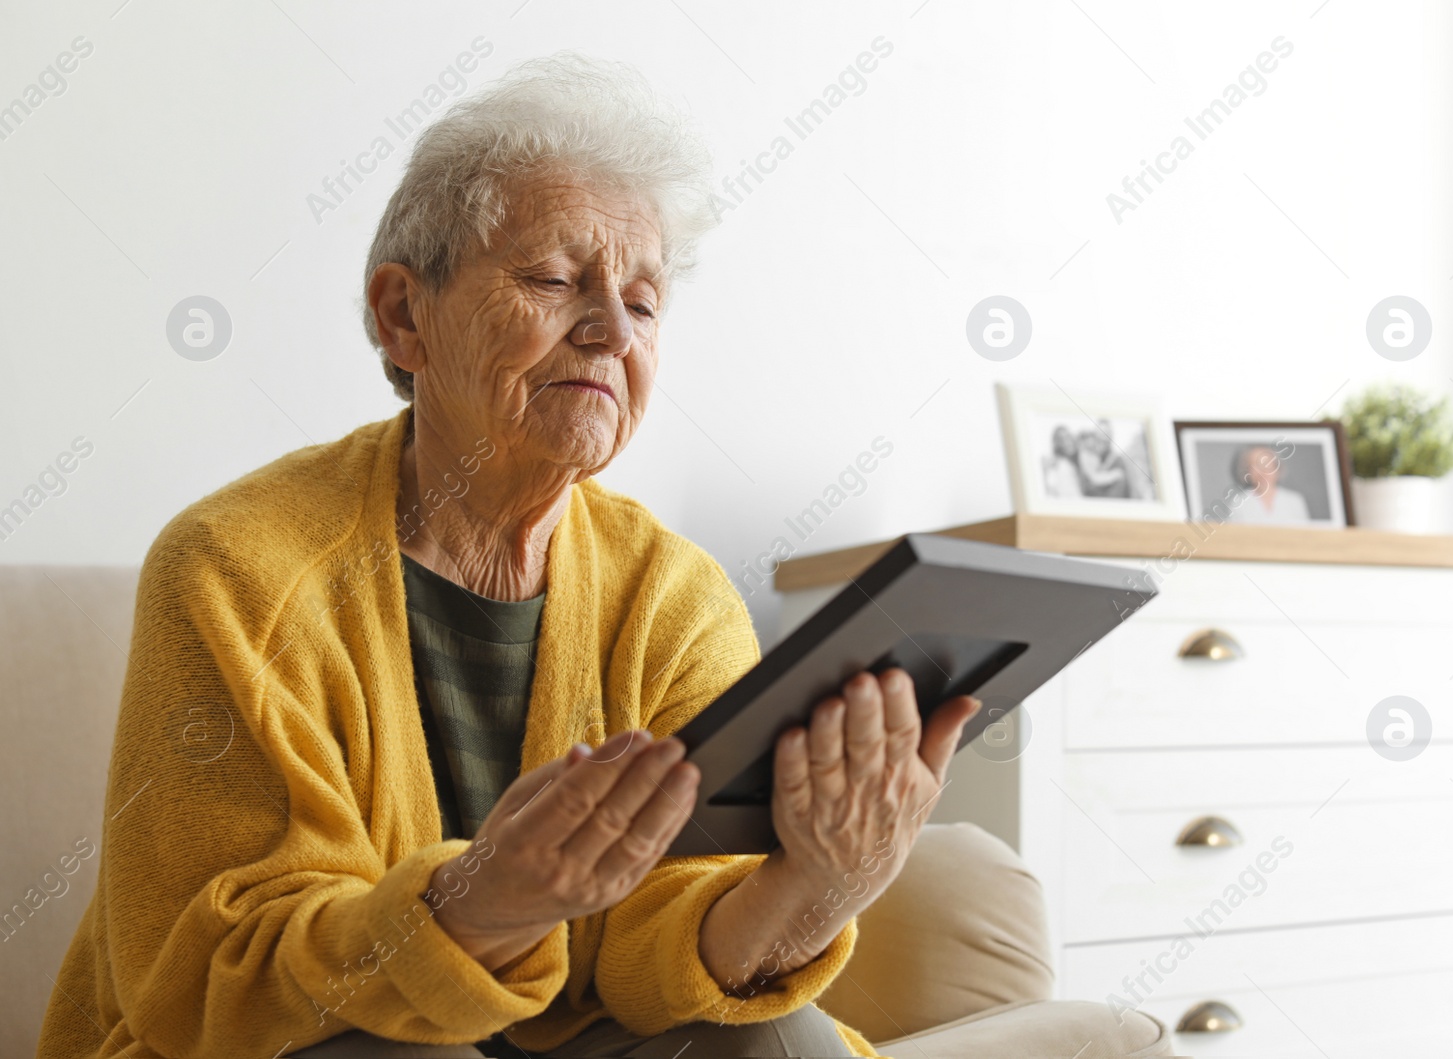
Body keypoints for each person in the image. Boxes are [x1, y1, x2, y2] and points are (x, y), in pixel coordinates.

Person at [39, 54, 978, 1059]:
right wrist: (474, 908)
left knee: (778, 1041)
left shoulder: (675, 598)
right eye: (550, 279)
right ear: (405, 316)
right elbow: (215, 979)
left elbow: (657, 946)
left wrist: (818, 885)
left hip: (557, 1041)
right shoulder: (234, 567)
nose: (613, 330)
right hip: (301, 1042)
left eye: (646, 301)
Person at [1227, 444, 1311, 524]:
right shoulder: (1238, 503)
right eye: (1255, 465)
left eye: (1267, 463)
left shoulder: (1295, 500)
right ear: (1247, 471)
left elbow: (1305, 535)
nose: (1263, 470)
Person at [1040, 425, 1083, 499]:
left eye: (1068, 437)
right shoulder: (1062, 465)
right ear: (1057, 444)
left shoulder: (1077, 461)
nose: (1067, 442)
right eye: (1062, 440)